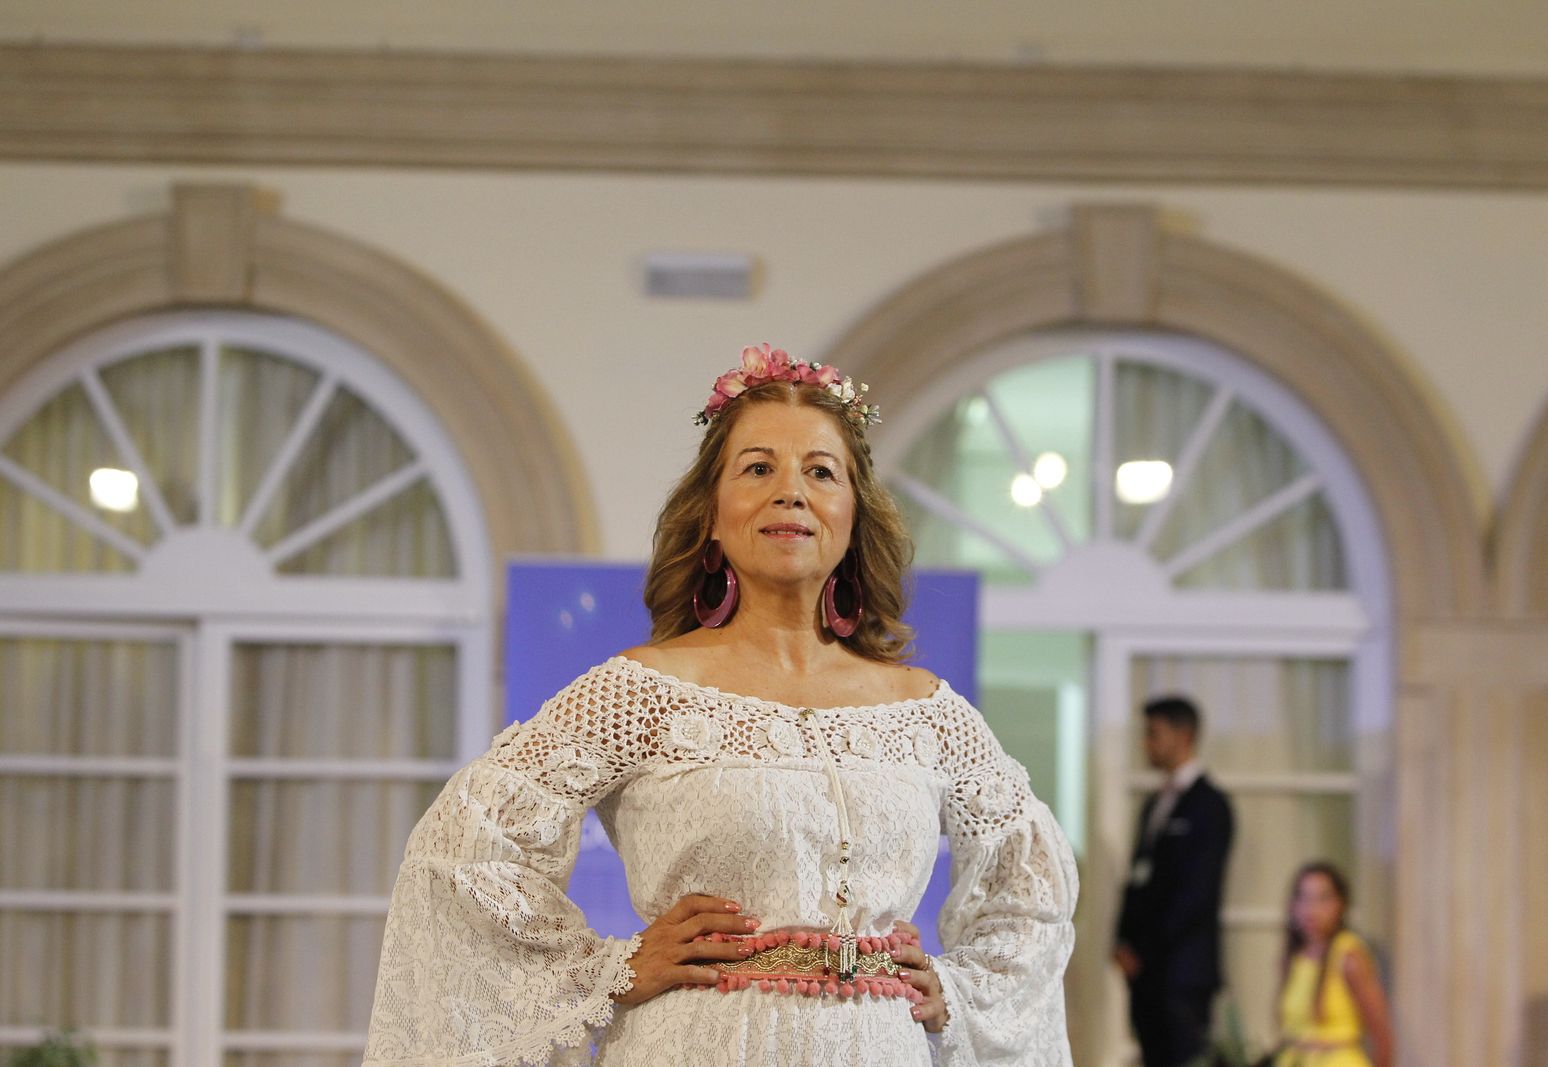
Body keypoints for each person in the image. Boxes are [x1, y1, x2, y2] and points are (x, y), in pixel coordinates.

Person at [362, 344, 1079, 1067]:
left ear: (854, 513)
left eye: (820, 472)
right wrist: (607, 970)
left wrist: (957, 988)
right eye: (759, 467)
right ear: (711, 513)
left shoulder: (926, 710)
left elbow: (1033, 886)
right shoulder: (640, 691)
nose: (790, 492)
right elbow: (466, 846)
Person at [1113, 695, 1234, 1067]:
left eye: (1154, 734)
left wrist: (1145, 948)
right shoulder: (1155, 804)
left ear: (1184, 736)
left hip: (1183, 973)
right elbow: (1139, 880)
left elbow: (1196, 894)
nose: (1145, 744)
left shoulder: (1209, 805)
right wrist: (1122, 939)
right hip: (1147, 974)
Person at [1274, 862, 1392, 1067]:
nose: (1312, 909)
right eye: (1304, 898)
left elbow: (1381, 1034)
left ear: (1341, 904)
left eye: (1323, 899)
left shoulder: (1349, 956)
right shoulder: (1293, 958)